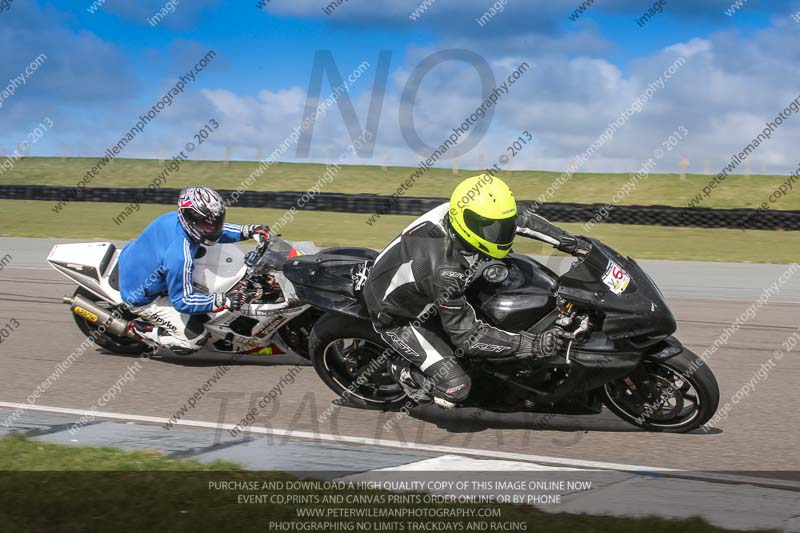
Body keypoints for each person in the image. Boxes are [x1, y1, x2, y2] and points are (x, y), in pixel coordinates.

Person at [363, 174, 591, 409]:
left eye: (501, 226)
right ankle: (401, 369)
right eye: (492, 228)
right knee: (456, 389)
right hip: (400, 318)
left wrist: (573, 244)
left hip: (424, 285)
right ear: (469, 222)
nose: (501, 234)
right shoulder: (445, 270)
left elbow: (521, 219)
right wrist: (531, 344)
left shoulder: (457, 211)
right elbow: (468, 337)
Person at [118, 186, 270, 354]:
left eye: (216, 220)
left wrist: (249, 231)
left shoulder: (176, 219)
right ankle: (144, 331)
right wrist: (224, 300)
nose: (212, 227)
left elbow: (215, 230)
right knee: (195, 340)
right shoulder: (179, 256)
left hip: (134, 259)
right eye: (206, 223)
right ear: (189, 218)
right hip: (143, 296)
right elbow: (183, 301)